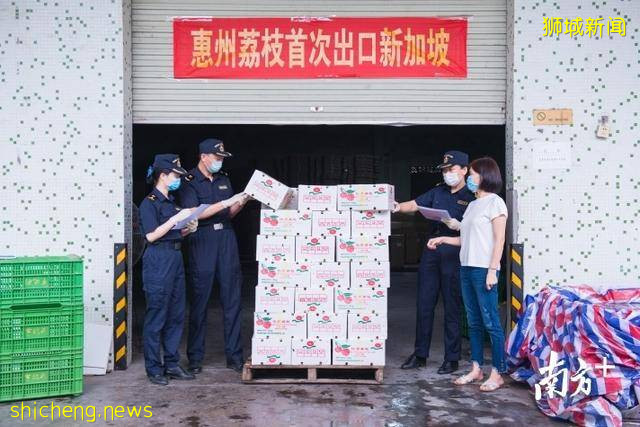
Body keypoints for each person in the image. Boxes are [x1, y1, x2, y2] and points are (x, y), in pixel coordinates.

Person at [427, 156, 508, 392]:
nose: (469, 179)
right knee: (473, 322)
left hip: (484, 269)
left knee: (491, 322)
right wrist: (443, 238)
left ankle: (497, 373)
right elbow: (466, 239)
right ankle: (476, 368)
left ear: (485, 176)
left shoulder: (495, 203)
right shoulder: (473, 205)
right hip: (467, 268)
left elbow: (499, 239)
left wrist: (492, 270)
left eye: (472, 174)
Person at [395, 151, 475, 374]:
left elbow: (476, 230)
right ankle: (420, 354)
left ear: (464, 170)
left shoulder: (472, 197)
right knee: (424, 303)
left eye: (451, 169)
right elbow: (415, 204)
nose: (447, 173)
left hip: (455, 251)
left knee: (452, 306)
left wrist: (458, 225)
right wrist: (396, 207)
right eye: (445, 170)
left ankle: (452, 358)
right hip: (432, 250)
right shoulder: (438, 191)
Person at [179, 138, 250, 374]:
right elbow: (194, 213)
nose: (220, 162)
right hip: (202, 239)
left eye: (222, 158)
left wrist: (241, 201)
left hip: (226, 238)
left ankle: (235, 356)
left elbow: (228, 213)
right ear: (203, 157)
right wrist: (225, 202)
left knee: (232, 299)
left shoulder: (223, 179)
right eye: (217, 158)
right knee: (200, 300)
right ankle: (195, 358)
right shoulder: (188, 181)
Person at [139, 154, 198, 385]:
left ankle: (172, 364)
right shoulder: (149, 203)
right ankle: (154, 368)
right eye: (175, 175)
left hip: (175, 257)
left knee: (176, 314)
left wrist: (187, 228)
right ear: (163, 176)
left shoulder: (172, 202)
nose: (178, 180)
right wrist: (175, 219)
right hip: (158, 259)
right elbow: (151, 235)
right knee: (157, 315)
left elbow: (173, 231)